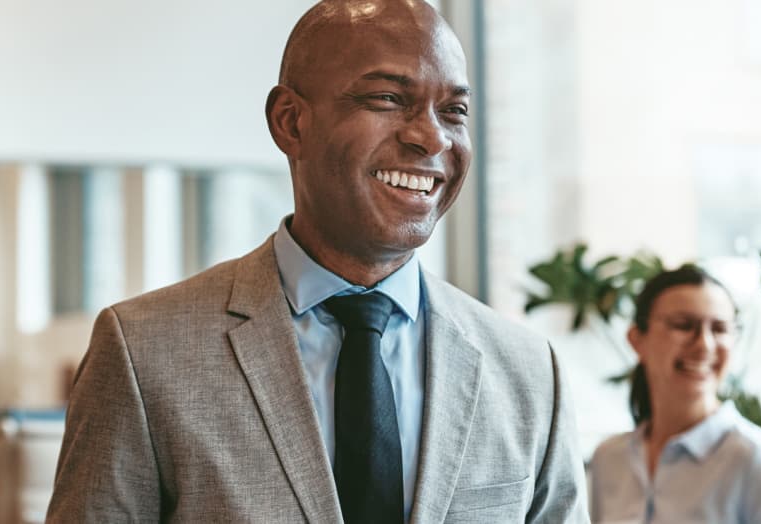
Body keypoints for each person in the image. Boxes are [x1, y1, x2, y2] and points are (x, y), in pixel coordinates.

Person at [47, 1, 589, 522]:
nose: (430, 137)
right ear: (290, 122)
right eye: (387, 98)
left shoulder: (528, 373)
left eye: (454, 111)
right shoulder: (144, 351)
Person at [589, 266, 761, 523]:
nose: (704, 345)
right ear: (637, 339)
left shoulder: (758, 460)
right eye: (683, 325)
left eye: (719, 329)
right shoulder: (608, 459)